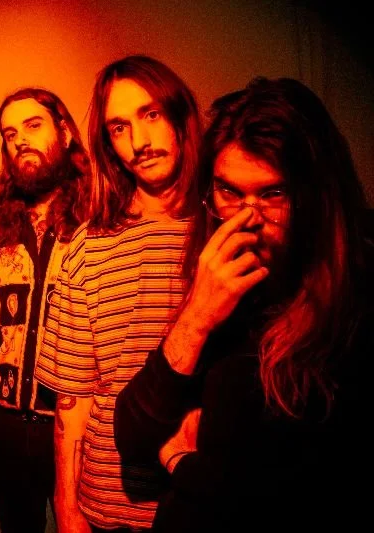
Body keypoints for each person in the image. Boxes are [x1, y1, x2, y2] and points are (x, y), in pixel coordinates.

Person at [113, 76, 372, 532]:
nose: (248, 219)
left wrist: (180, 462)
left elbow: (303, 496)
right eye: (229, 192)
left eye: (273, 194)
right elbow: (132, 435)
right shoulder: (224, 283)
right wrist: (196, 318)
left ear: (315, 195)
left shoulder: (354, 303)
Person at [34, 55, 202, 532]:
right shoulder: (88, 247)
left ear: (179, 115)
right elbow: (72, 401)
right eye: (119, 128)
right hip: (110, 507)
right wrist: (67, 510)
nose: (139, 141)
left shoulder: (222, 230)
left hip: (205, 501)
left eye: (151, 114)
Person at [0, 87, 90, 532]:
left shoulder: (99, 222)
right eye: (10, 134)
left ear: (64, 133)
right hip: (3, 424)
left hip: (76, 427)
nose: (21, 140)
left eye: (33, 125)